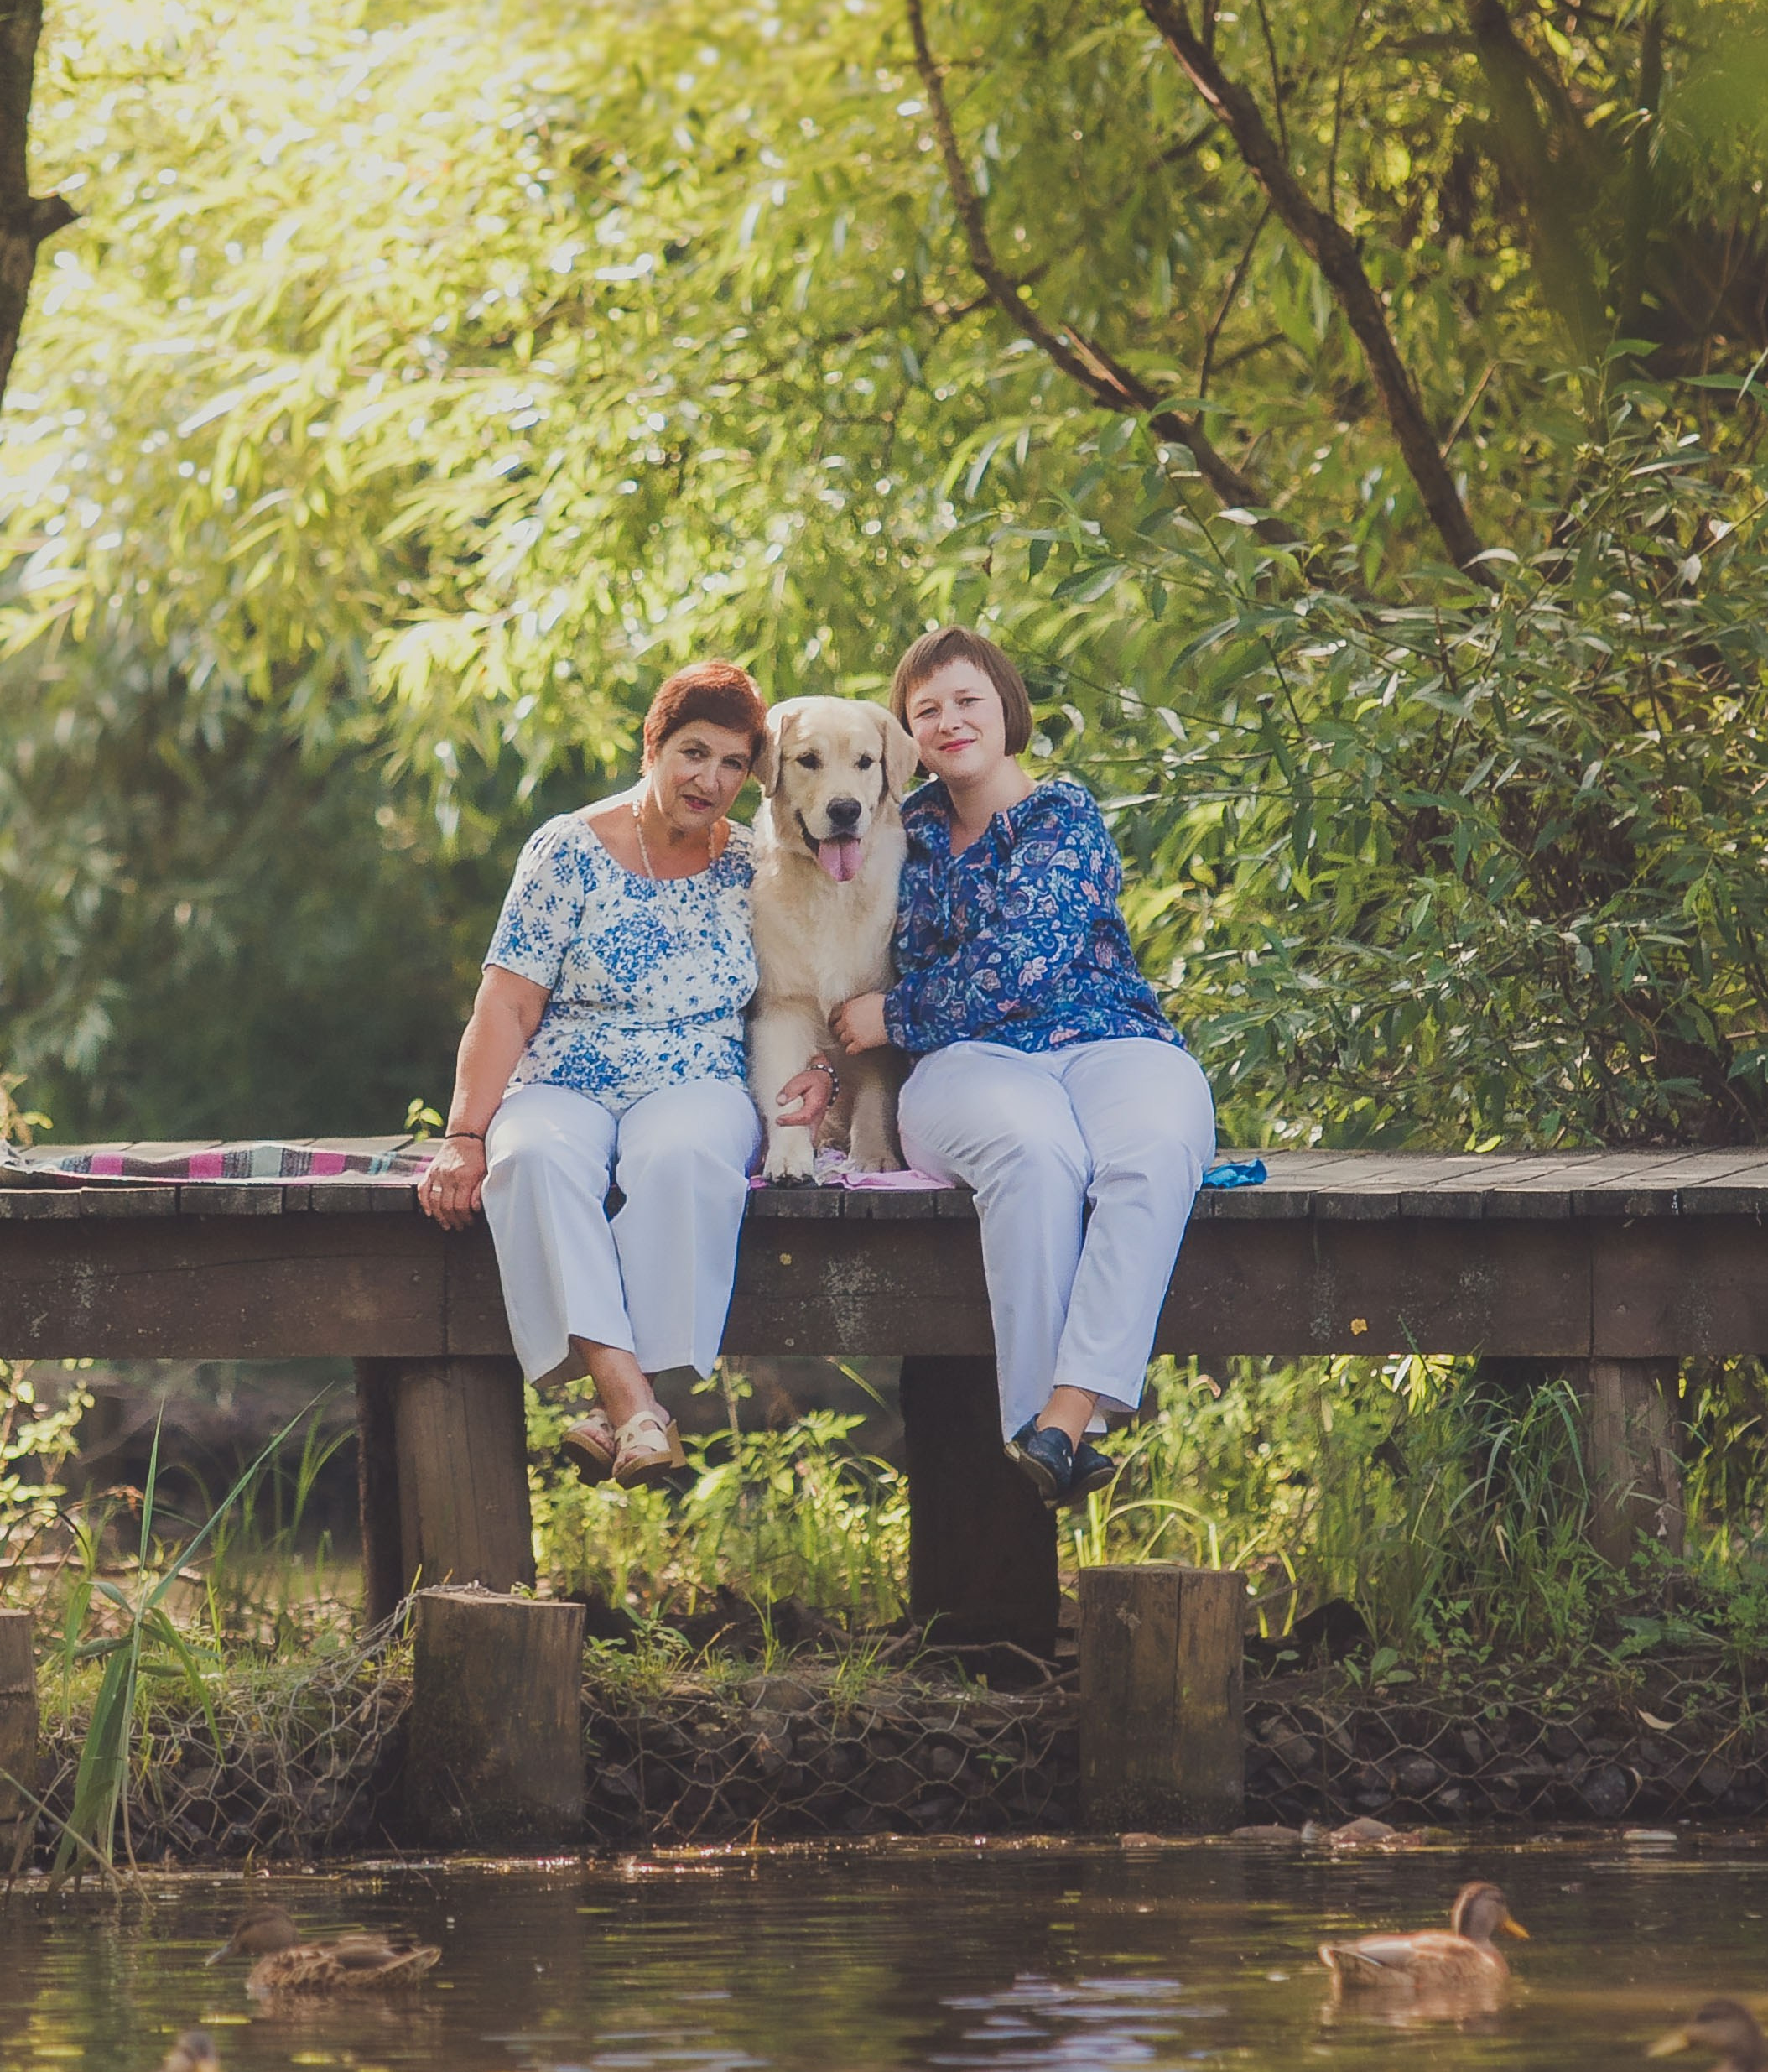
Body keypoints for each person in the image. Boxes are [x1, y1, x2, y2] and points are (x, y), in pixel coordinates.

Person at [831, 626, 1214, 1507]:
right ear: (906, 740)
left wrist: (890, 1014)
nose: (949, 720)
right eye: (925, 710)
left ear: (1007, 708)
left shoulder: (1062, 814)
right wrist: (829, 1058)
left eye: (968, 699)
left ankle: (1060, 1420)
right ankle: (1046, 1430)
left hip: (1109, 1040)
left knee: (1153, 1151)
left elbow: (1024, 955)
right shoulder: (898, 832)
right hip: (969, 1066)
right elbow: (831, 939)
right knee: (1035, 1155)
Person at [421, 662, 830, 1486]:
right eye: (693, 752)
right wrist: (465, 1134)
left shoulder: (757, 864)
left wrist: (822, 1065)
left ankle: (621, 1405)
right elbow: (504, 1008)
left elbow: (802, 987)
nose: (710, 779)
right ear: (652, 746)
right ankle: (635, 1404)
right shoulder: (566, 851)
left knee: (680, 1159)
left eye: (732, 764)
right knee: (531, 1158)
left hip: (699, 1080)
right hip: (564, 1078)